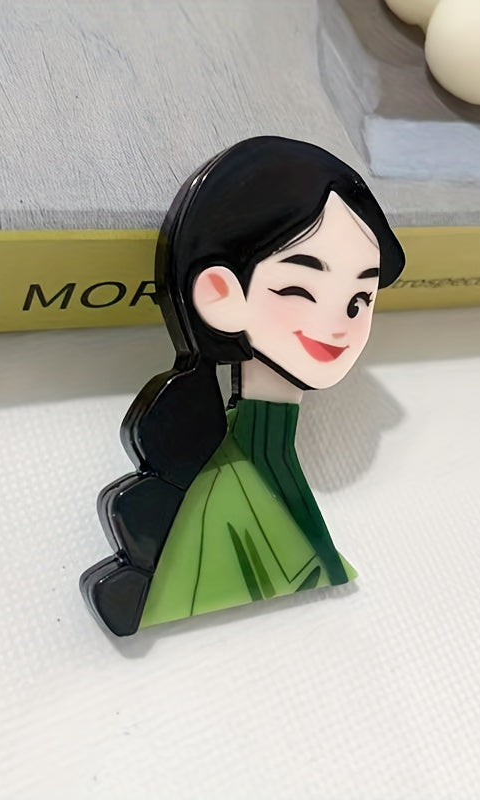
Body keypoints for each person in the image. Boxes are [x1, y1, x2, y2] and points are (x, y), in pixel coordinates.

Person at [80, 137, 405, 636]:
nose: (339, 326)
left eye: (359, 300)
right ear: (220, 294)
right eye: (299, 290)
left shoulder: (267, 464)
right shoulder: (227, 491)